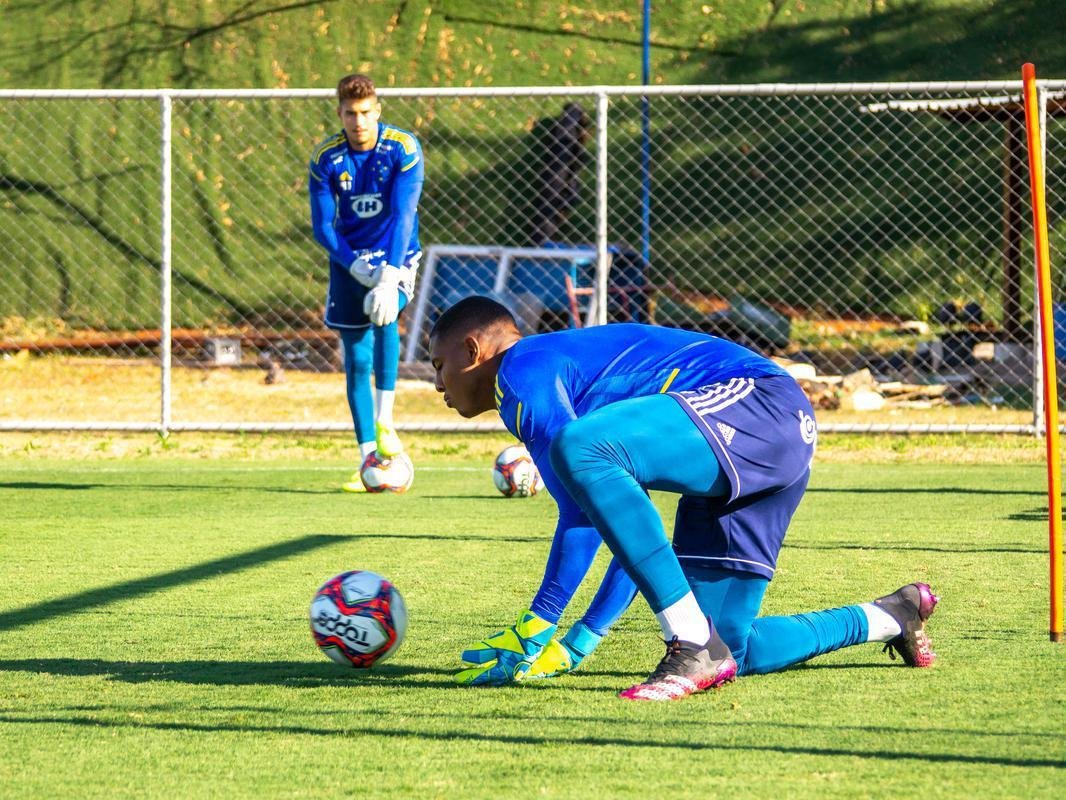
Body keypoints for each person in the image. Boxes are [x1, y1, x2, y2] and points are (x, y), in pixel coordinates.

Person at [428, 296, 938, 701]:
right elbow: (620, 522)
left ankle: (691, 642)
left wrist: (536, 624)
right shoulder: (561, 384)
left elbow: (581, 504)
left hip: (756, 403)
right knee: (734, 646)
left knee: (579, 450)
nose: (436, 384)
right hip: (770, 437)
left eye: (437, 365)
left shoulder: (520, 371)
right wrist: (582, 639)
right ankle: (892, 615)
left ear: (473, 352)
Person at [309, 73, 425, 492]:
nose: (358, 121)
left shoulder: (403, 148)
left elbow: (404, 214)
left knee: (385, 313)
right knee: (356, 359)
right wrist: (356, 267)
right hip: (350, 262)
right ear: (339, 113)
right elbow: (323, 226)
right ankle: (368, 460)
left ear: (377, 110)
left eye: (365, 112)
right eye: (349, 113)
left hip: (395, 256)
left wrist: (390, 273)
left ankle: (387, 424)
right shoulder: (326, 158)